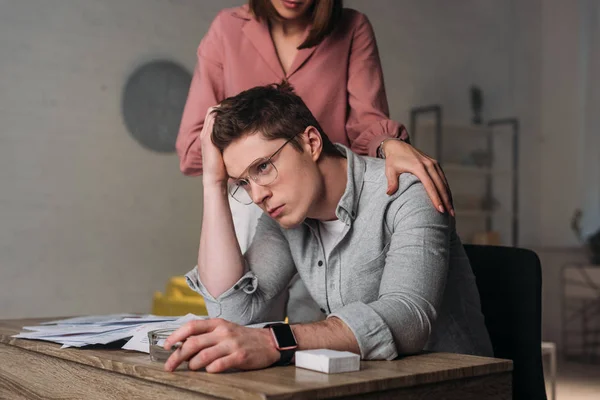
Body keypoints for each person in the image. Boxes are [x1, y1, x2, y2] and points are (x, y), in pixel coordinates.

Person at [163, 83, 492, 373]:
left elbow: (408, 318)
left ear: (310, 142)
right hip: (360, 386)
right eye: (244, 183)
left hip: (452, 388)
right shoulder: (284, 216)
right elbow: (233, 312)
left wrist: (275, 341)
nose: (258, 194)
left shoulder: (405, 191)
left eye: (263, 167)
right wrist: (213, 183)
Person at [177, 0, 453, 323]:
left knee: (316, 323)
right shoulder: (226, 30)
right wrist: (232, 164)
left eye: (264, 165)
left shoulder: (351, 28)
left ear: (311, 141)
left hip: (333, 200)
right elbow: (193, 145)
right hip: (276, 217)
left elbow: (368, 122)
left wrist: (388, 145)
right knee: (256, 328)